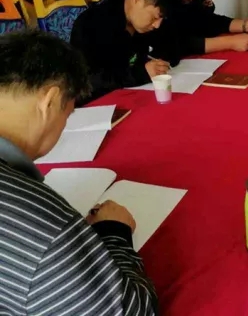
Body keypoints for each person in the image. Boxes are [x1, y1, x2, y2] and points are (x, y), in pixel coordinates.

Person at [0, 30, 157, 314]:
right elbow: (133, 310)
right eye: (68, 114)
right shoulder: (42, 231)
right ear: (49, 102)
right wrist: (113, 232)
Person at [71, 0, 179, 104]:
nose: (157, 25)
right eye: (155, 17)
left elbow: (171, 49)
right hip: (101, 106)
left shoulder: (143, 19)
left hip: (137, 97)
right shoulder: (91, 24)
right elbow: (87, 83)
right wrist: (140, 73)